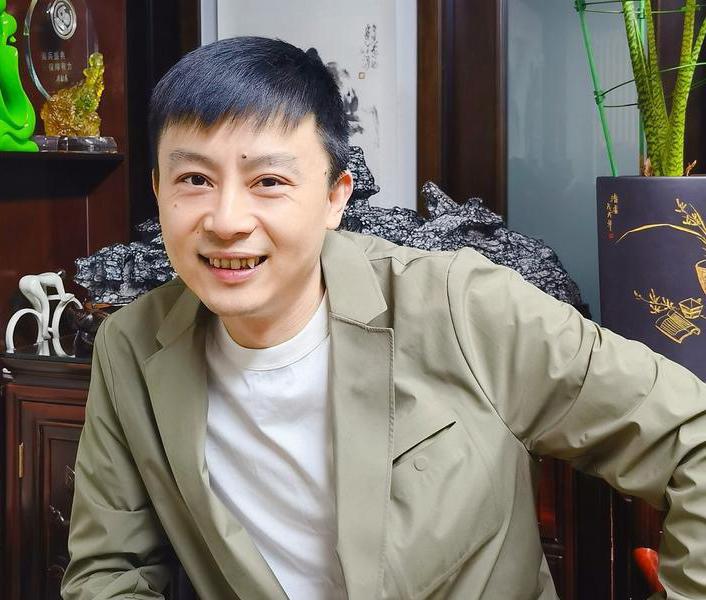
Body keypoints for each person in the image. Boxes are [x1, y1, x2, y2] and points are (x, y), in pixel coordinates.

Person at [61, 36, 706, 600]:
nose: (227, 220)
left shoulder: (458, 303)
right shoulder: (131, 348)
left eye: (269, 182)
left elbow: (693, 437)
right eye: (195, 180)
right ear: (158, 191)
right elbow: (107, 573)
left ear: (336, 197)